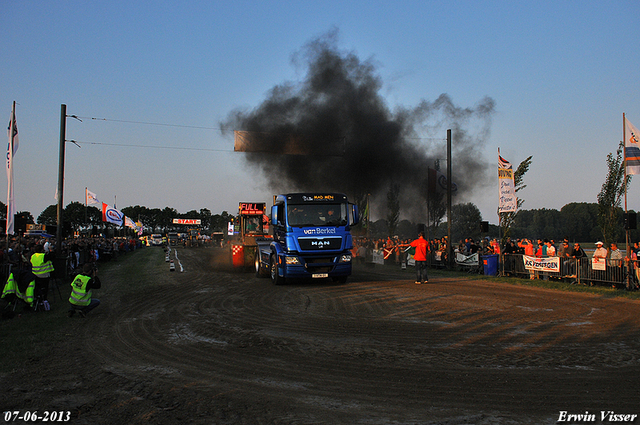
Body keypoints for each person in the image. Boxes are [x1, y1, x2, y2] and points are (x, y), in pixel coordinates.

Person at [30, 244, 55, 309]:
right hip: (44, 275)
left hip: (35, 275)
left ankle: (38, 299)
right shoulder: (43, 256)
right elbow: (52, 256)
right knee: (44, 289)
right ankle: (44, 300)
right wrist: (51, 249)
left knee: (37, 289)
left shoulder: (33, 256)